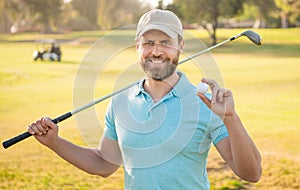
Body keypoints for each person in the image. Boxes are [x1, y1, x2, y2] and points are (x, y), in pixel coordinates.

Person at [27, 9, 261, 189]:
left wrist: (231, 118)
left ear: (180, 45)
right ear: (137, 46)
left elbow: (251, 173)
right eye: (148, 43)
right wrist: (55, 142)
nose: (156, 51)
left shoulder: (206, 102)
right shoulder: (119, 102)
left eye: (166, 43)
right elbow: (104, 164)